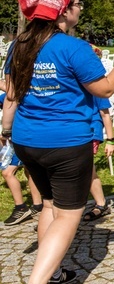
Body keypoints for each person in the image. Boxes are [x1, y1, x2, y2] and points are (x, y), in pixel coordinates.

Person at [1, 0, 114, 284]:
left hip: (26, 140)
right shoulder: (74, 48)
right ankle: (38, 280)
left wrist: (7, 129)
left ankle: (56, 272)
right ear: (64, 11)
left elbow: (10, 91)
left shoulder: (19, 44)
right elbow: (105, 89)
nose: (81, 7)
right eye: (77, 2)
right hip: (66, 143)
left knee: (49, 204)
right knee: (68, 215)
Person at [1, 89, 43, 226]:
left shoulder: (27, 92)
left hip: (22, 138)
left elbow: (11, 92)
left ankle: (21, 207)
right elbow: (7, 97)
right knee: (29, 170)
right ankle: (37, 205)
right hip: (19, 139)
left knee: (7, 172)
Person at [83, 96, 114, 221]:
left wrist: (110, 140)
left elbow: (105, 113)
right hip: (71, 130)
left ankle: (101, 204)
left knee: (86, 168)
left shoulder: (94, 84)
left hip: (90, 131)